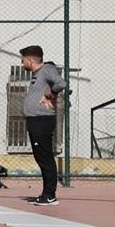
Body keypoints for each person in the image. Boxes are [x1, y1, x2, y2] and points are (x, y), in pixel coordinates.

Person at [19, 45, 66, 206]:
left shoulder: (47, 69)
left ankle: (50, 195)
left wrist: (51, 93)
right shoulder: (38, 73)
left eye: (23, 60)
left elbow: (61, 83)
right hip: (35, 120)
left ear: (31, 60)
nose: (22, 63)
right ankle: (47, 194)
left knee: (45, 158)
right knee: (41, 157)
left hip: (42, 120)